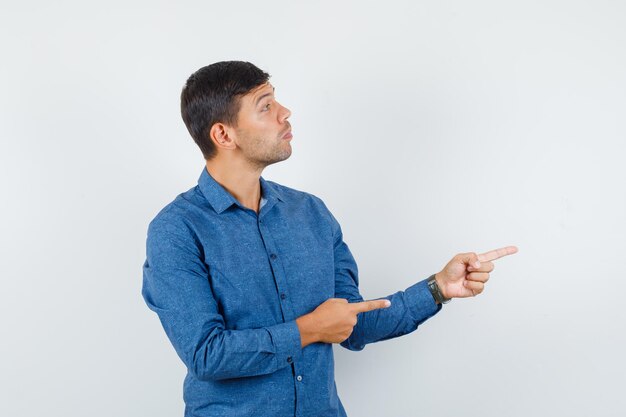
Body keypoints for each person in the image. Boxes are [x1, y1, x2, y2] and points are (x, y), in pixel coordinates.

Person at [141, 60, 518, 417]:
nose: (285, 113)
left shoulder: (311, 213)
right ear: (223, 134)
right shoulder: (176, 230)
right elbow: (207, 355)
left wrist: (437, 288)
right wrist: (308, 330)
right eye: (265, 106)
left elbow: (353, 324)